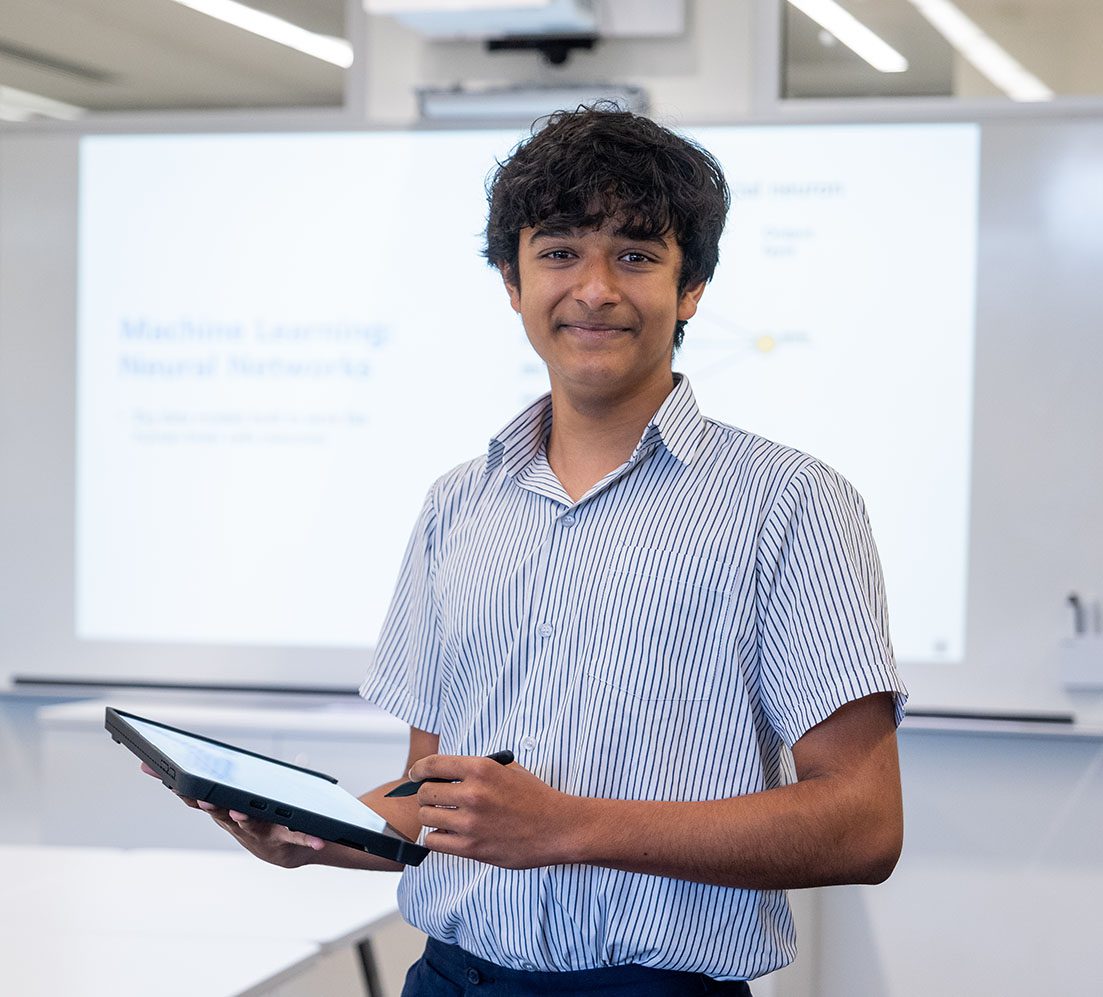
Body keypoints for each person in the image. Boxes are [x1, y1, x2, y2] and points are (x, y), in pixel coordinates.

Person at [173, 105, 907, 995]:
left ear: (690, 289)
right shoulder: (457, 504)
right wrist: (312, 832)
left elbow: (863, 824)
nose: (593, 289)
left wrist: (567, 826)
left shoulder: (789, 504)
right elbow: (437, 797)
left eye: (634, 256)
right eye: (558, 252)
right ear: (512, 284)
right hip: (451, 980)